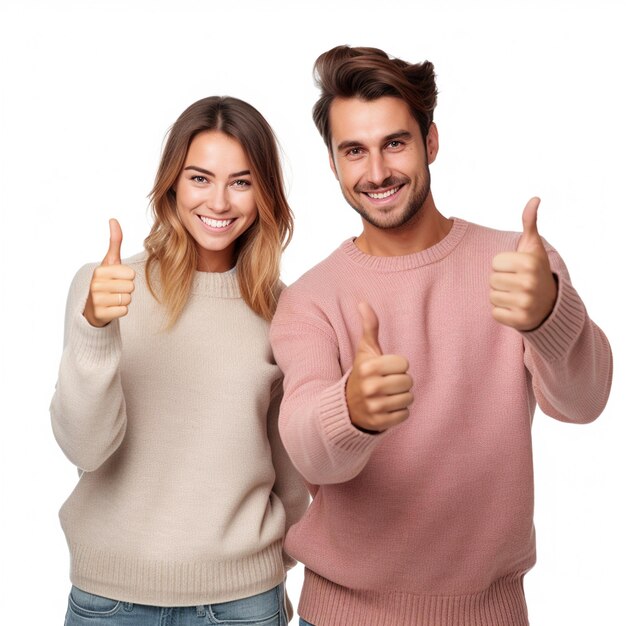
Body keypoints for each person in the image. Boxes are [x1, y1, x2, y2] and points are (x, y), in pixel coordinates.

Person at [269, 46, 613, 626]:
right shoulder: (309, 300)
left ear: (431, 142)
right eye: (354, 151)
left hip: (491, 615)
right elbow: (306, 448)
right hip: (340, 617)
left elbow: (585, 402)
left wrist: (548, 316)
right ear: (333, 164)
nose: (376, 172)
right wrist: (350, 411)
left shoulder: (518, 264)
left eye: (395, 143)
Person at [50, 96, 309, 626]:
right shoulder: (105, 288)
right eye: (200, 178)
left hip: (241, 605)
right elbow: (84, 448)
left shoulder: (282, 311)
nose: (219, 201)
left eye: (241, 181)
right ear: (172, 183)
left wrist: (265, 577)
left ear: (265, 193)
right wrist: (95, 328)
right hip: (111, 603)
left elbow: (291, 475)